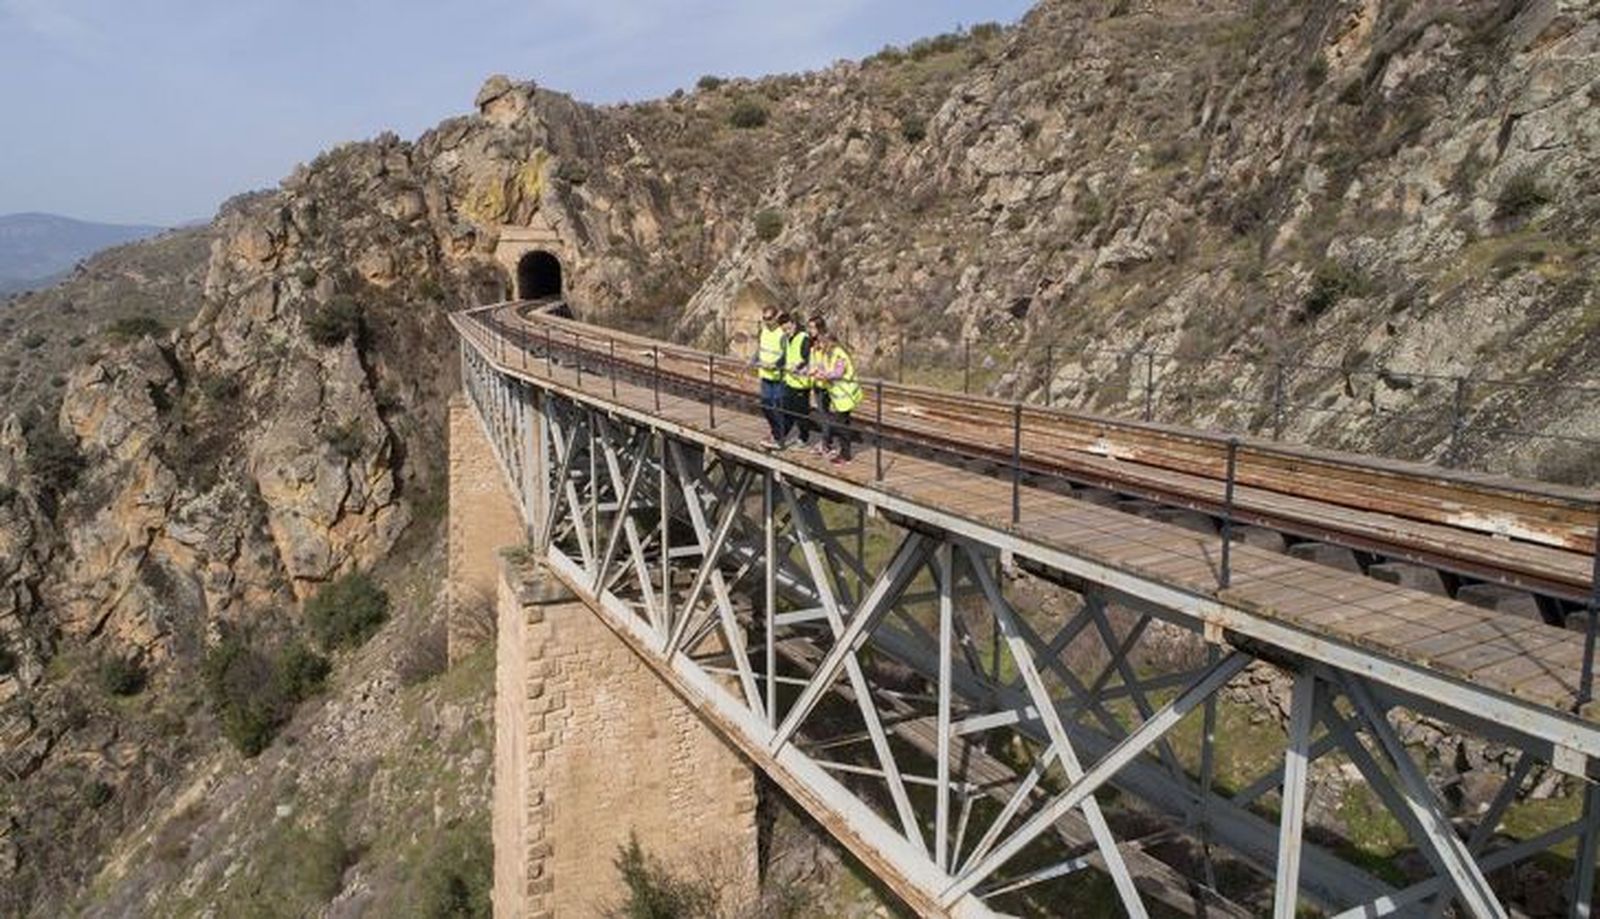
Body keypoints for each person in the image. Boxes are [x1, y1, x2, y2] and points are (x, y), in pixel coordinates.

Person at [808, 327, 862, 465]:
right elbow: (826, 368)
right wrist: (817, 371)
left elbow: (838, 372)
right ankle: (844, 452)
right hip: (839, 395)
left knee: (841, 425)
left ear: (830, 342)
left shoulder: (839, 354)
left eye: (822, 342)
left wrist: (823, 375)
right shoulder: (829, 353)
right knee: (842, 423)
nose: (820, 345)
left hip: (846, 394)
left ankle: (845, 455)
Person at [752, 307, 787, 449]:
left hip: (778, 376)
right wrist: (753, 360)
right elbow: (761, 348)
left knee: (777, 407)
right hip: (765, 375)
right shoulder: (764, 331)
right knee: (766, 405)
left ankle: (779, 438)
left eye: (769, 319)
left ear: (775, 318)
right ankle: (775, 432)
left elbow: (786, 354)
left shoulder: (782, 333)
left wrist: (775, 365)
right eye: (764, 318)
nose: (766, 322)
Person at [778, 313, 814, 448]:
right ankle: (780, 436)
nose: (786, 332)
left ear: (793, 323)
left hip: (802, 383)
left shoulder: (804, 338)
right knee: (786, 410)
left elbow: (808, 358)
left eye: (788, 328)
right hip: (790, 380)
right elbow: (788, 356)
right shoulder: (789, 338)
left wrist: (797, 367)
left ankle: (803, 438)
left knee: (801, 413)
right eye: (784, 330)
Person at [806, 315, 832, 451]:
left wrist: (819, 371)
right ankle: (826, 441)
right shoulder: (814, 342)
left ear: (819, 328)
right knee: (823, 413)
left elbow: (829, 362)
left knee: (825, 414)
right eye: (809, 327)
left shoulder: (826, 343)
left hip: (825, 383)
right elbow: (813, 360)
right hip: (817, 382)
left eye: (812, 327)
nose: (810, 330)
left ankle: (826, 443)